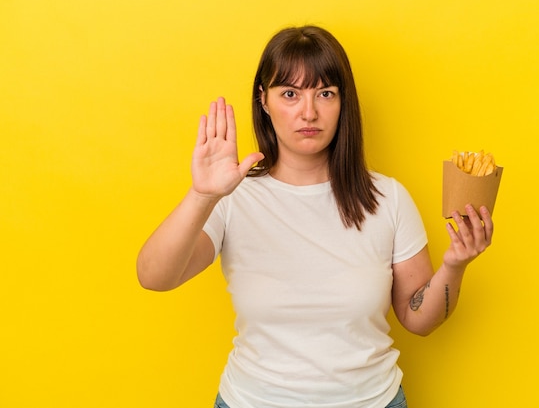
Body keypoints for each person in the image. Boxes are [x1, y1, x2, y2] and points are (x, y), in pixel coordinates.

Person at [137, 25, 494, 408]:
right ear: (264, 100)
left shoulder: (387, 197)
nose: (309, 112)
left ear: (343, 102)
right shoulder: (231, 196)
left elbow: (417, 319)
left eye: (325, 93)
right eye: (290, 94)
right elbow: (155, 277)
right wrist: (201, 195)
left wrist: (455, 265)